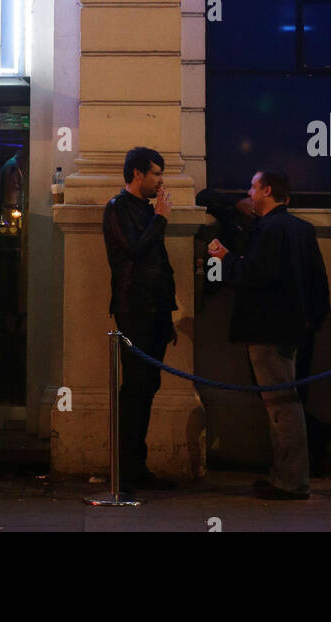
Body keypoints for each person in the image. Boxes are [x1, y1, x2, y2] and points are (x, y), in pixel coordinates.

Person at [208, 169, 329, 501]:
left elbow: (254, 274)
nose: (249, 192)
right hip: (295, 330)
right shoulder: (301, 229)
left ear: (267, 191)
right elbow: (319, 281)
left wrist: (224, 258)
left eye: (253, 186)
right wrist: (312, 322)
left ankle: (290, 479)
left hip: (267, 328)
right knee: (287, 403)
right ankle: (284, 475)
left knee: (281, 406)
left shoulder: (268, 230)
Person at [102, 146, 177, 491]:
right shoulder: (117, 209)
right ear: (137, 174)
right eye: (156, 174)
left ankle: (138, 465)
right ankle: (124, 470)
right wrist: (160, 218)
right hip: (134, 309)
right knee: (133, 389)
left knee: (148, 388)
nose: (160, 181)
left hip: (156, 310)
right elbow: (132, 251)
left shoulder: (147, 210)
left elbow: (158, 263)